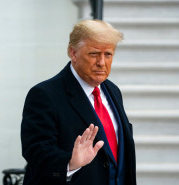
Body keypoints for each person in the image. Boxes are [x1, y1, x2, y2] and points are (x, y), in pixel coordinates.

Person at [21, 19, 136, 185]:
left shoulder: (113, 91)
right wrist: (70, 163)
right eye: (94, 54)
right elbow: (36, 152)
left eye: (108, 54)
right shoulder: (44, 94)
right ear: (73, 53)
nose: (101, 62)